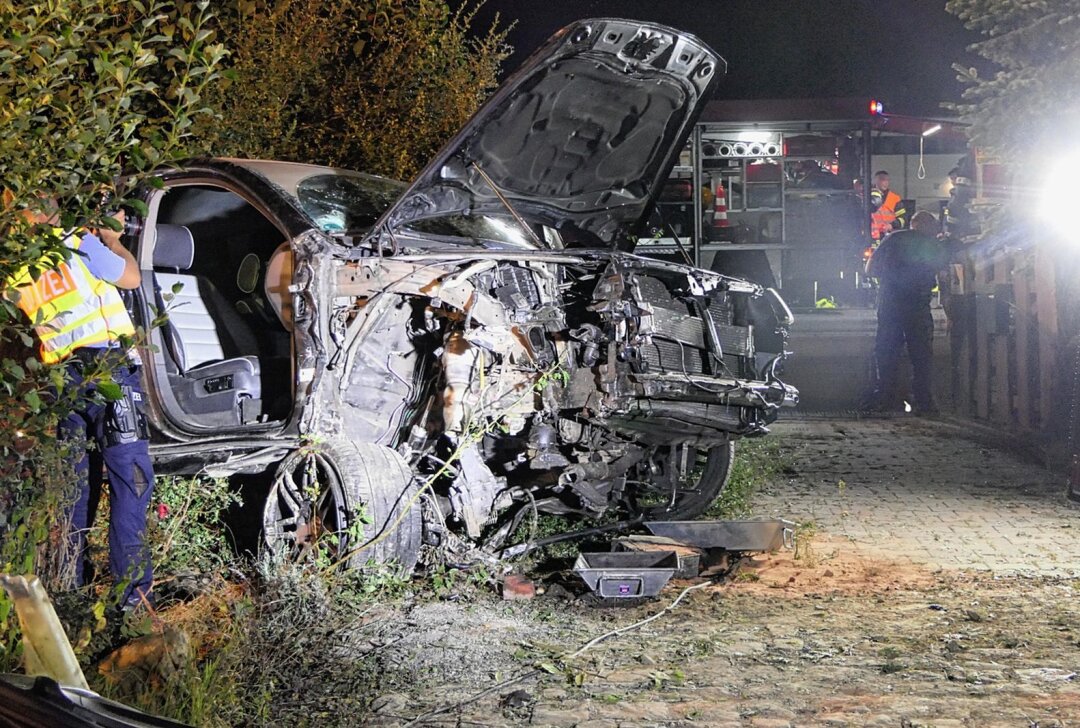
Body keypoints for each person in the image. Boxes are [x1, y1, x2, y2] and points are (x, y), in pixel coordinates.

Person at [4, 195, 155, 610]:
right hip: (108, 371)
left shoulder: (17, 269)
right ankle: (134, 602)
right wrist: (112, 237)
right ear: (47, 212)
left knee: (77, 486)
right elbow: (128, 277)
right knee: (133, 481)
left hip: (63, 383)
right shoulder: (75, 241)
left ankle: (71, 591)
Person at [866, 210, 949, 414]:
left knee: (886, 351)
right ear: (929, 227)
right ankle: (923, 402)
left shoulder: (893, 239)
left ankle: (886, 399)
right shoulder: (932, 245)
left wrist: (892, 276)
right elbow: (944, 273)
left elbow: (870, 269)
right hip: (918, 305)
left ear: (913, 224)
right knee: (921, 355)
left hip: (890, 303)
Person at [869, 170, 907, 241]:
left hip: (889, 237)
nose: (886, 182)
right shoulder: (867, 197)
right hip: (871, 238)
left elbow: (903, 219)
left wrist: (891, 225)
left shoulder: (895, 198)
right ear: (875, 181)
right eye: (883, 179)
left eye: (887, 180)